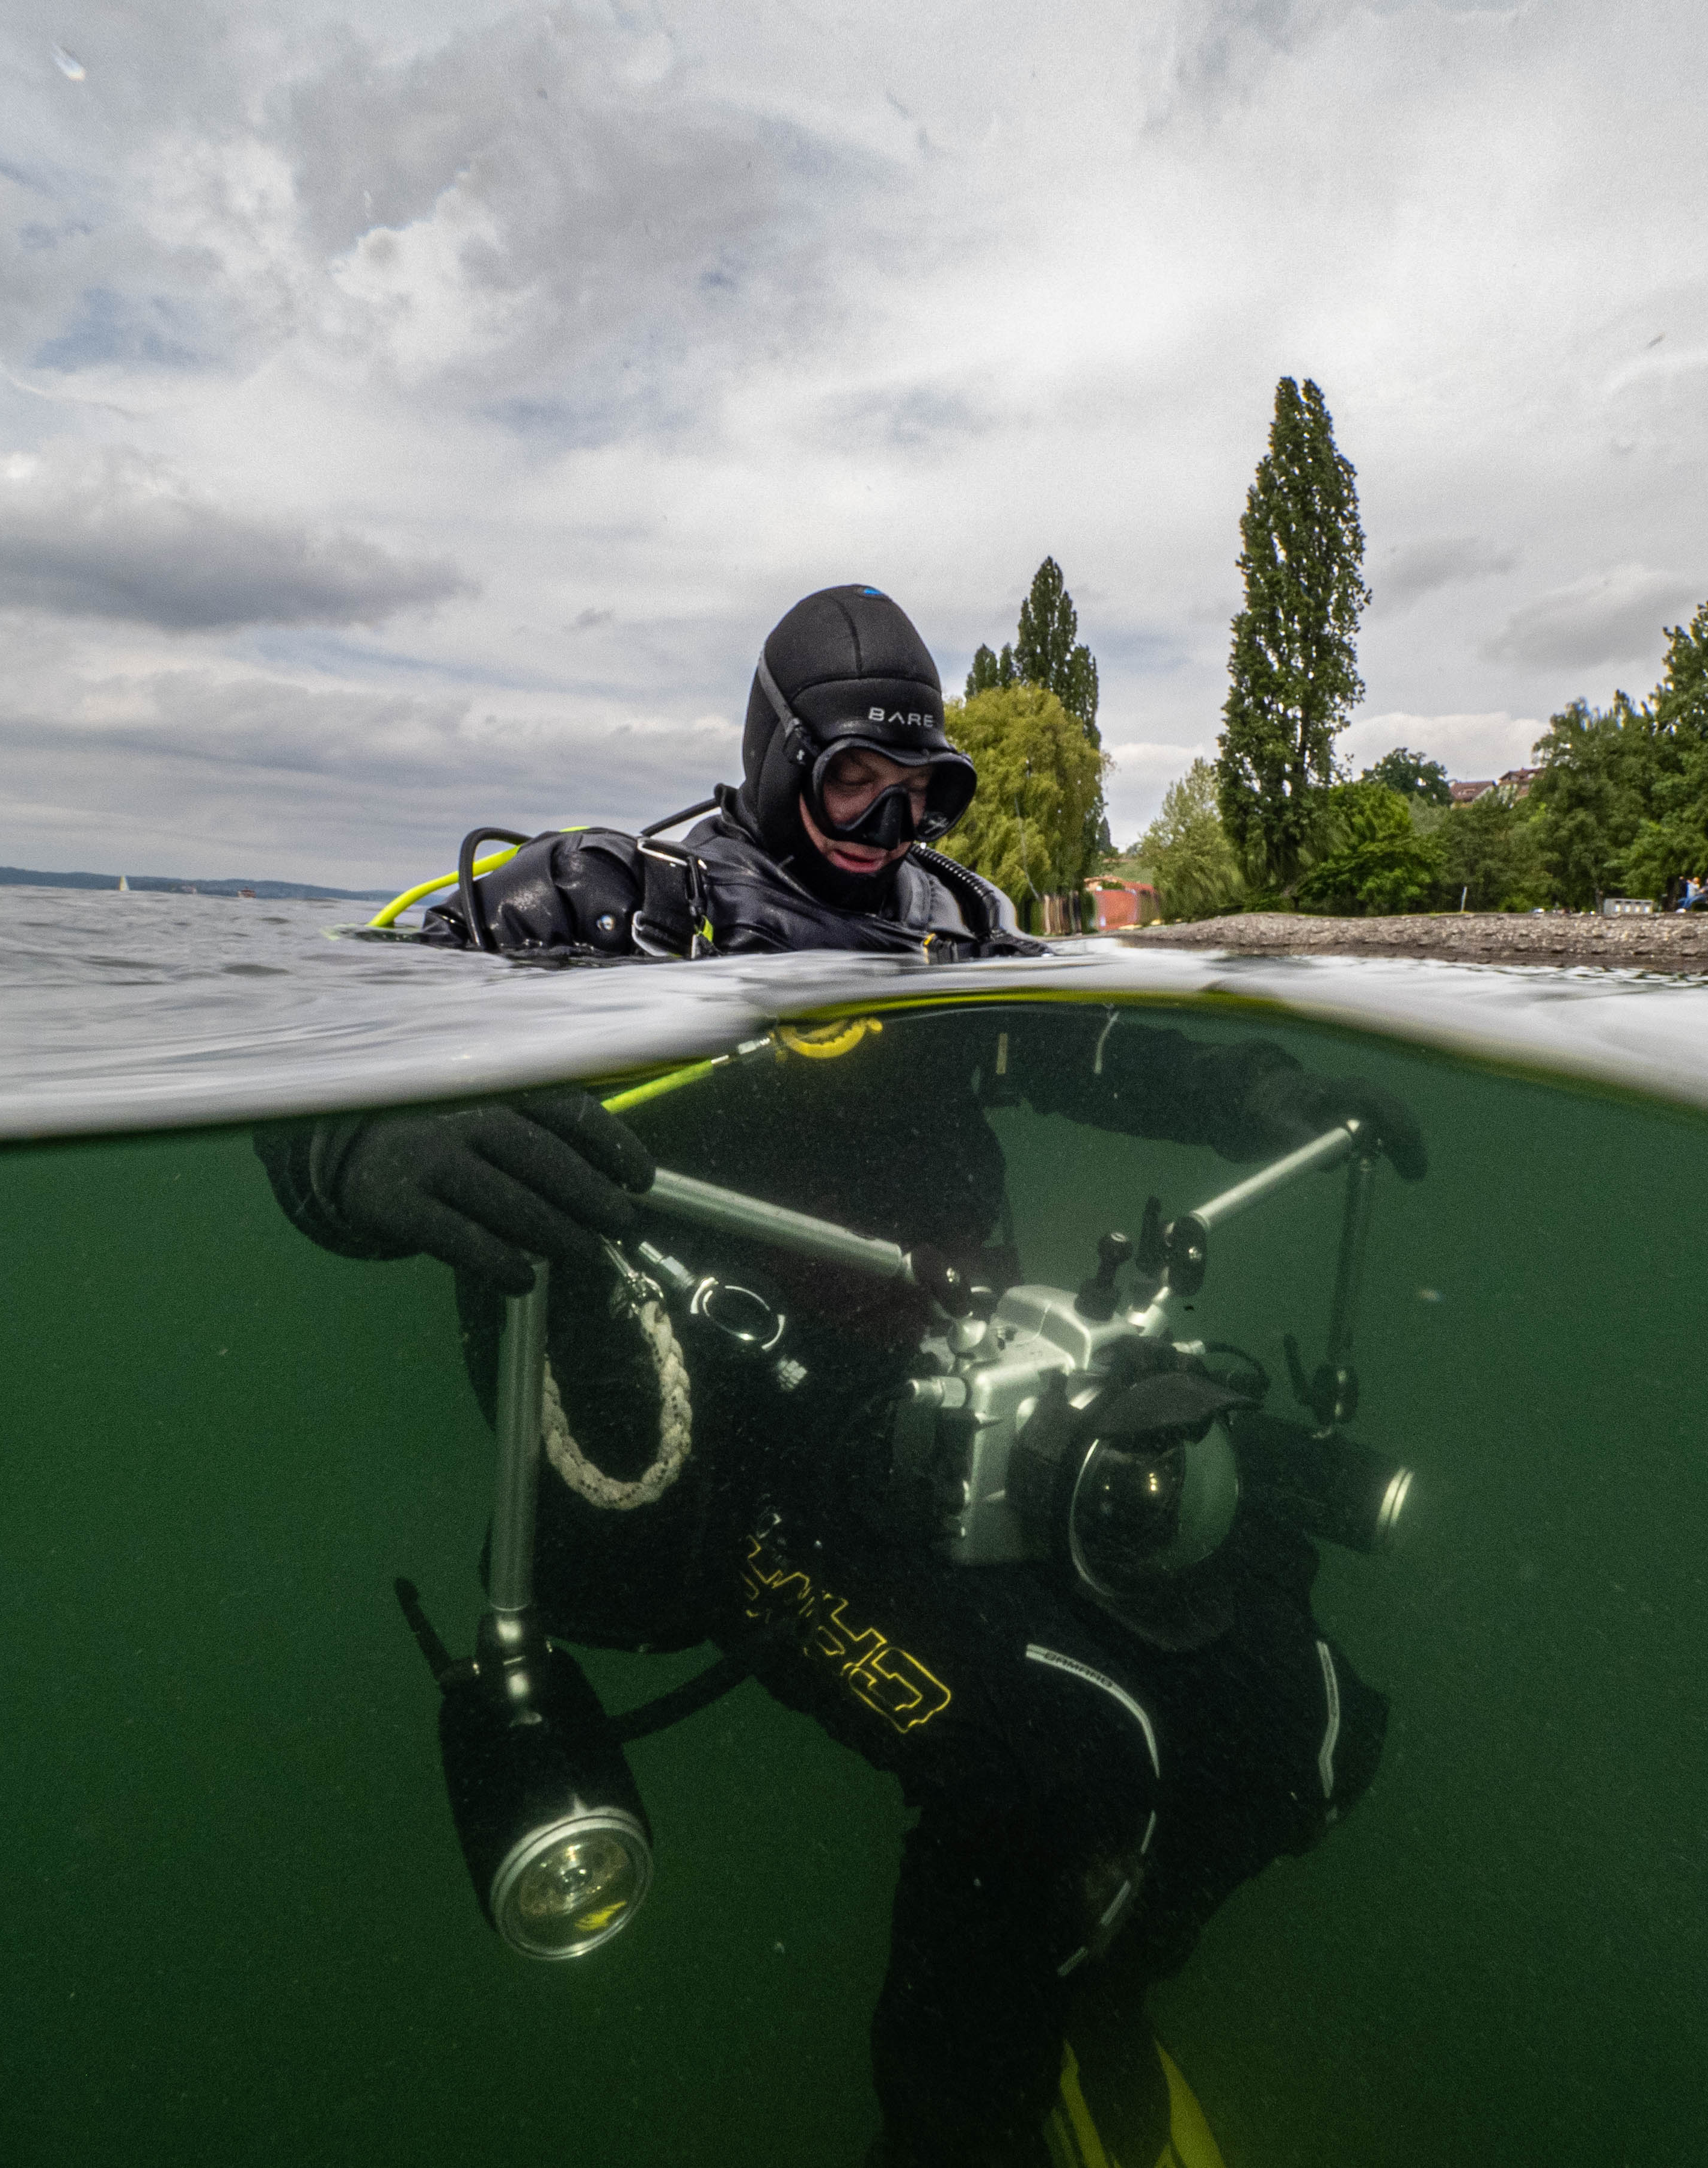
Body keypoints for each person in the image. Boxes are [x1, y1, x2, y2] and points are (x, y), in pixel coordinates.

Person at [259, 586, 1423, 2167]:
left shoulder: (957, 925)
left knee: (1308, 1721)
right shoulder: (612, 904)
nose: (888, 827)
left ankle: (1101, 1988)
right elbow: (329, 998)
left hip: (965, 1408)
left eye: (924, 789)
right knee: (1061, 1762)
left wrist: (1255, 1088)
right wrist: (353, 1143)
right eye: (851, 785)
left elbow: (1087, 1048)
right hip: (736, 1478)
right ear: (772, 762)